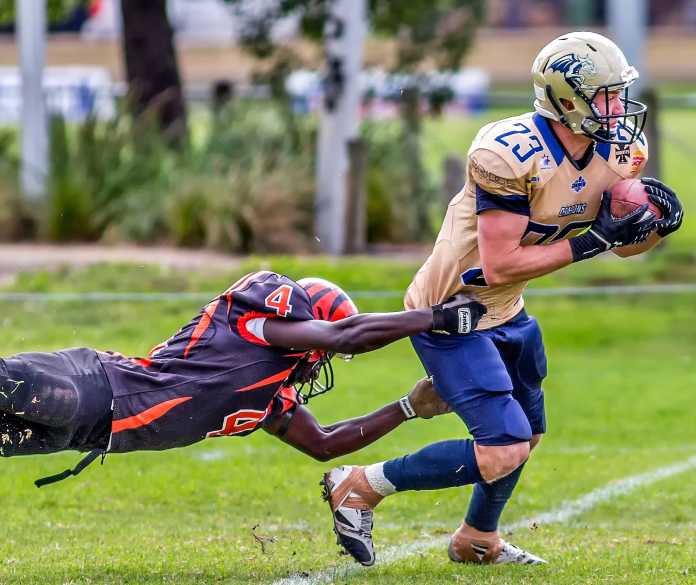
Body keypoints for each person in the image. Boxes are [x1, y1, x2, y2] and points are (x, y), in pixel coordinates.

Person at [322, 31, 684, 567]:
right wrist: (595, 240)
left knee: (527, 436)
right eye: (605, 94)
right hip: (451, 309)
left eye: (617, 92)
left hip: (507, 309)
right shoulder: (509, 154)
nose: (617, 106)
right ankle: (359, 486)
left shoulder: (619, 150)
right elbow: (500, 264)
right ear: (565, 100)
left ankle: (477, 540)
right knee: (503, 447)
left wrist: (650, 228)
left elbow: (622, 246)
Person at [0, 270, 486, 487]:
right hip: (94, 385)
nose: (318, 363)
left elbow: (325, 442)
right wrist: (436, 318)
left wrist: (405, 408)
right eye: (319, 349)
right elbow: (346, 336)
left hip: (86, 431)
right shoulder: (261, 324)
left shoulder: (270, 395)